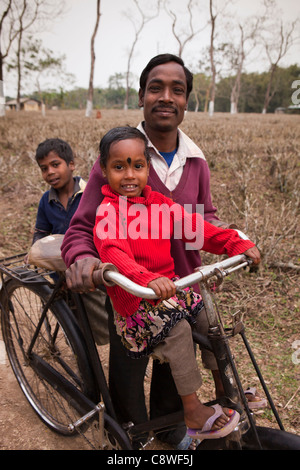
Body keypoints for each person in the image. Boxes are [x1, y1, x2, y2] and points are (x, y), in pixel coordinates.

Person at [61, 54, 262, 448]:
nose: (166, 97)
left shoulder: (196, 162)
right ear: (142, 96)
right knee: (129, 371)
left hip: (181, 283)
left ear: (187, 101)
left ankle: (186, 416)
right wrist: (85, 259)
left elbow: (201, 224)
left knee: (193, 342)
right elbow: (88, 229)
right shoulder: (117, 157)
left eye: (178, 89)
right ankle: (128, 437)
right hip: (135, 294)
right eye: (156, 87)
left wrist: (235, 242)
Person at [93, 126, 261, 440]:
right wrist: (148, 278)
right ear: (104, 170)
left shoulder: (158, 205)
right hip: (136, 306)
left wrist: (235, 243)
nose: (130, 175)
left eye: (137, 166)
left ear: (147, 168)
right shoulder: (108, 213)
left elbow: (196, 228)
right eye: (119, 167)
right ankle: (192, 407)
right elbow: (115, 254)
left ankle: (224, 385)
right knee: (180, 330)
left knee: (209, 319)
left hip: (168, 292)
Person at [32, 138, 86, 243]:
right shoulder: (46, 200)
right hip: (60, 255)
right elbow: (41, 233)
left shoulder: (89, 193)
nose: (50, 172)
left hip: (89, 255)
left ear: (71, 165)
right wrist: (34, 251)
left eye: (55, 165)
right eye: (44, 169)